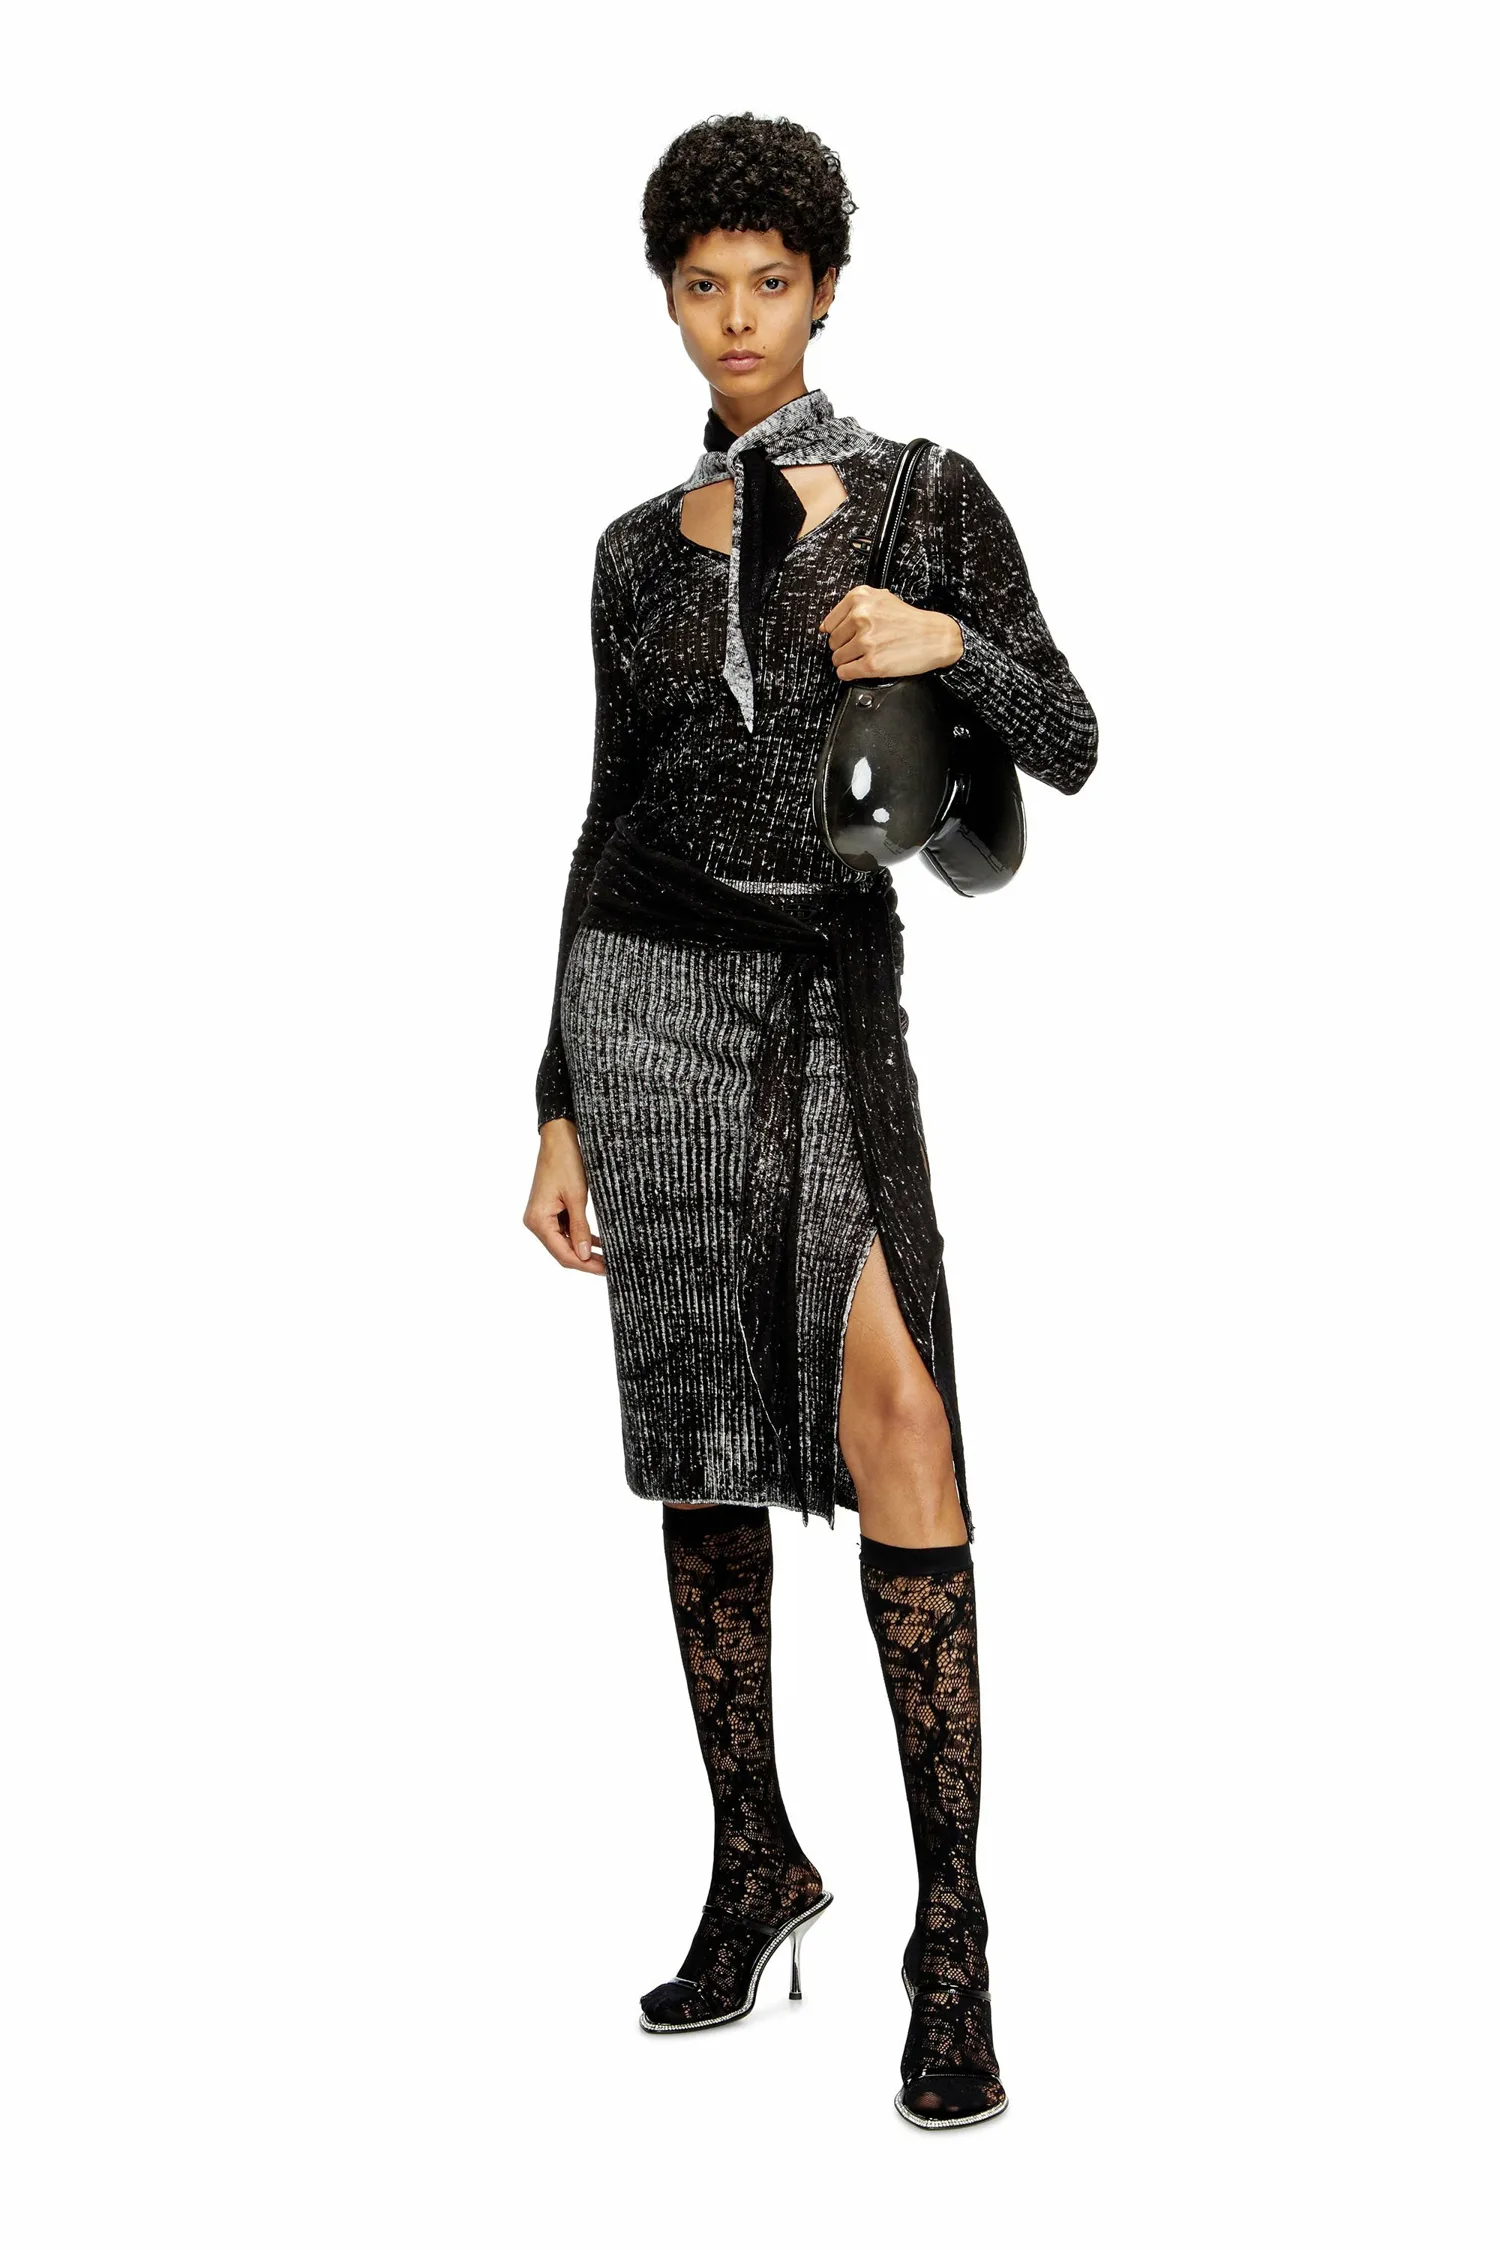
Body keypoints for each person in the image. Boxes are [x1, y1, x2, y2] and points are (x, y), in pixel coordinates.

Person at [523, 111, 1098, 2130]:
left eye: (771, 280)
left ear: (828, 287)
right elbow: (604, 810)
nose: (737, 317)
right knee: (699, 1431)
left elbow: (1073, 737)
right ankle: (753, 1856)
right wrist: (559, 1098)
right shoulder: (630, 553)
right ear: (668, 300)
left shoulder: (924, 494)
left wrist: (950, 642)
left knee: (899, 1414)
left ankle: (956, 1938)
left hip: (825, 988)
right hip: (646, 999)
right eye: (703, 285)